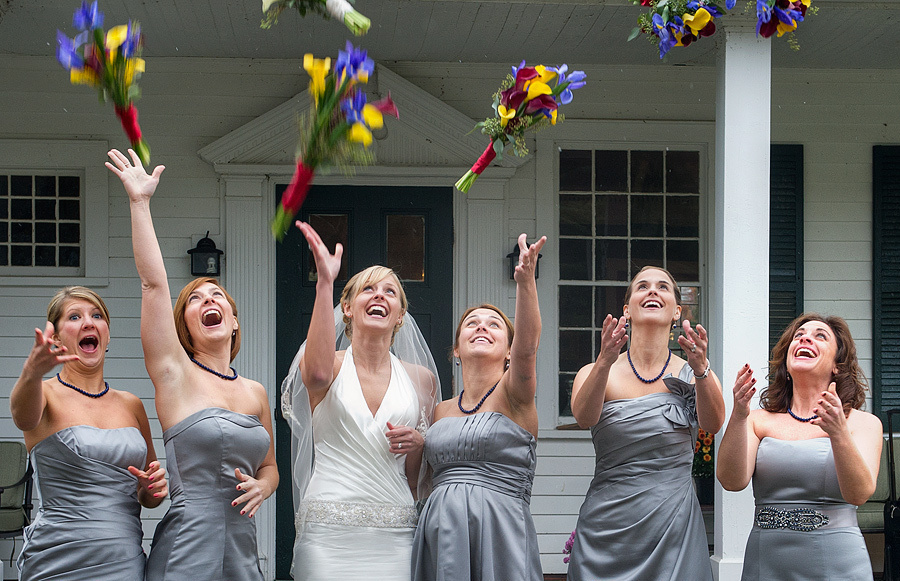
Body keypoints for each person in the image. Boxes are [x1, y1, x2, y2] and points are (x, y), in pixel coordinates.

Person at [106, 148, 278, 581]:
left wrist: (266, 485)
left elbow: (271, 467)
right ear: (183, 324)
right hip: (187, 545)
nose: (208, 301)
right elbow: (152, 284)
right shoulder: (174, 373)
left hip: (242, 546)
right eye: (195, 300)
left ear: (234, 321)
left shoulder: (255, 392)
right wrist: (139, 204)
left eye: (217, 295)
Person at [281, 221, 439, 580]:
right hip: (328, 529)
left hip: (396, 528)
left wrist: (421, 441)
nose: (379, 295)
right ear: (348, 308)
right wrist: (325, 283)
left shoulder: (421, 380)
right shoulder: (327, 367)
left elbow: (416, 476)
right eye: (368, 289)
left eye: (390, 291)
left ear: (400, 315)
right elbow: (316, 376)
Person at [567, 265, 725, 581]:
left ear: (677, 311)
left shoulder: (694, 372)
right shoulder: (596, 371)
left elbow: (713, 423)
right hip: (607, 525)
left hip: (673, 527)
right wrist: (604, 362)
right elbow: (584, 417)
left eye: (663, 286)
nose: (652, 290)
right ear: (627, 308)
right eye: (642, 286)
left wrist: (702, 369)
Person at [411, 233, 546, 581]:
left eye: (494, 325)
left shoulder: (515, 396)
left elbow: (529, 347)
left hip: (498, 532)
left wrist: (526, 283)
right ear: (456, 349)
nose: (481, 327)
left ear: (508, 352)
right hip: (441, 532)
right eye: (471, 324)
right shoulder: (439, 410)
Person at [11, 286, 167, 580]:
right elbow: (22, 416)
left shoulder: (131, 404)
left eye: (97, 315)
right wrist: (31, 372)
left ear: (107, 335)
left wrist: (152, 489)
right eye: (74, 317)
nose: (88, 322)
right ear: (56, 338)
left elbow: (149, 496)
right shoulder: (43, 394)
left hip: (123, 559)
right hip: (58, 559)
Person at [717, 313, 882, 580]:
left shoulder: (863, 423)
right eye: (799, 335)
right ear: (787, 361)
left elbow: (859, 494)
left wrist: (838, 433)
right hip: (767, 561)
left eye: (820, 336)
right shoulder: (757, 420)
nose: (805, 337)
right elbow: (731, 481)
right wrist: (738, 415)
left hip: (836, 561)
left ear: (837, 366)